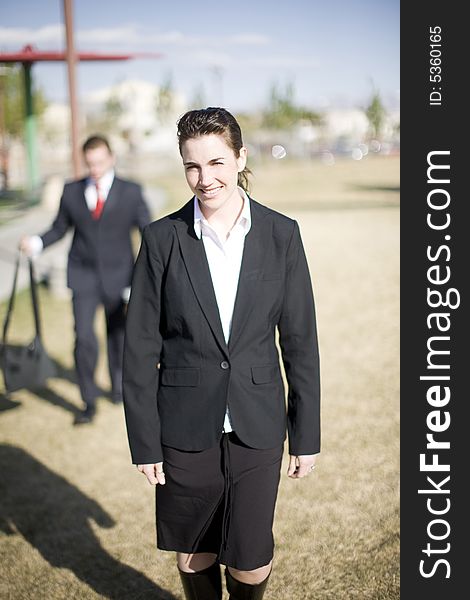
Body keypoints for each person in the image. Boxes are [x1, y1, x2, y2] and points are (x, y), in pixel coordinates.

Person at [122, 108, 320, 600]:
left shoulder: (281, 234)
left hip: (258, 422)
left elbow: (299, 342)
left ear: (240, 157)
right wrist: (144, 442)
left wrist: (307, 434)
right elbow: (140, 345)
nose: (204, 178)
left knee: (251, 561)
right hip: (184, 425)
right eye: (192, 166)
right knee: (195, 553)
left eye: (215, 163)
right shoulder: (160, 239)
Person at [20, 135, 151, 425]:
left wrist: (143, 276)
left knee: (118, 336)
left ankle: (118, 388)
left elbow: (148, 234)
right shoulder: (71, 191)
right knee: (84, 339)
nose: (94, 169)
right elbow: (59, 228)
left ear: (111, 158)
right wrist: (37, 243)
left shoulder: (131, 191)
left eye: (99, 162)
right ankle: (88, 400)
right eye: (89, 163)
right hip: (83, 276)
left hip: (121, 277)